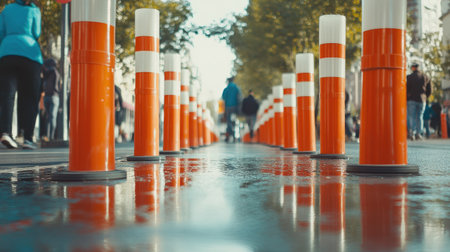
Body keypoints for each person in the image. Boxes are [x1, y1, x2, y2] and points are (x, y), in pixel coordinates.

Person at [0, 0, 43, 149]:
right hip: (30, 54)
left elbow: (1, 32)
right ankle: (28, 137)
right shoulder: (34, 10)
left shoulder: (6, 9)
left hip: (7, 53)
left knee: (7, 95)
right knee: (30, 96)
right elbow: (36, 32)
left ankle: (6, 132)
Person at [407, 63, 432, 141]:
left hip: (411, 99)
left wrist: (407, 97)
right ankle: (419, 133)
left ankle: (412, 133)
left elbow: (406, 88)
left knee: (411, 116)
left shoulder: (409, 77)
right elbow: (430, 90)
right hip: (422, 99)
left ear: (413, 68)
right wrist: (425, 96)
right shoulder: (425, 77)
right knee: (420, 116)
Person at [42, 59, 61, 141]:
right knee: (52, 117)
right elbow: (58, 87)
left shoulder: (47, 73)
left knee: (49, 117)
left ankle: (48, 136)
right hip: (54, 96)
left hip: (48, 96)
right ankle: (51, 137)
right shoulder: (56, 73)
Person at [222, 77, 241, 142]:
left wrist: (223, 110)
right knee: (235, 121)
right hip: (235, 107)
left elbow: (223, 99)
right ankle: (234, 134)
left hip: (228, 107)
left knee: (229, 121)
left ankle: (230, 133)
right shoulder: (237, 88)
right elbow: (239, 97)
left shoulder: (226, 89)